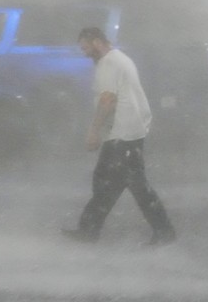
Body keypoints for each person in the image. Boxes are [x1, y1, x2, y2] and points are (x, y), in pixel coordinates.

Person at [62, 26, 176, 246]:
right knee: (107, 182)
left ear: (96, 42)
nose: (85, 53)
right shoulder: (120, 58)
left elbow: (107, 100)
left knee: (134, 186)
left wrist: (93, 131)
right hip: (127, 132)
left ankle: (164, 233)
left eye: (86, 48)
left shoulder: (109, 63)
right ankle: (89, 229)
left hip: (122, 134)